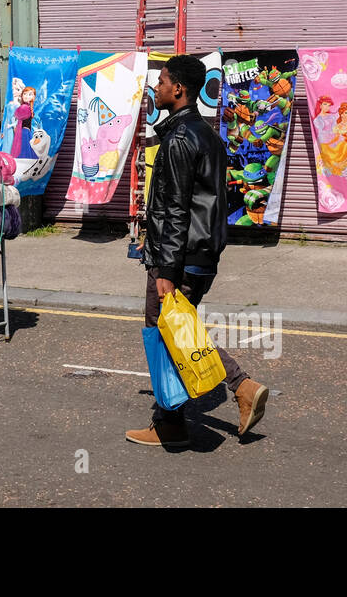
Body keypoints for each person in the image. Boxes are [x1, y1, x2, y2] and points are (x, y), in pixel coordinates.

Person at [127, 54, 268, 450]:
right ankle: (170, 421)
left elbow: (175, 210)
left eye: (162, 81)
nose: (156, 88)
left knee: (167, 334)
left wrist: (165, 269)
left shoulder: (179, 138)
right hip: (200, 255)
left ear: (179, 89)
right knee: (176, 333)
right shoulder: (206, 134)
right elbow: (199, 203)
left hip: (179, 259)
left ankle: (239, 387)